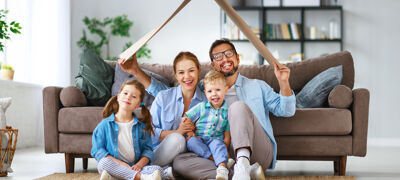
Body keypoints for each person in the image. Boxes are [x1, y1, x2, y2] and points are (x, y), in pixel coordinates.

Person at [118, 52, 207, 167]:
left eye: (191, 70)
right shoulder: (164, 97)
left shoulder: (206, 103)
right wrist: (178, 132)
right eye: (181, 72)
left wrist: (194, 134)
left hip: (188, 156)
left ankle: (160, 171)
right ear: (175, 75)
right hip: (160, 152)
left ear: (198, 70)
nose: (187, 76)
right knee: (177, 139)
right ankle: (144, 168)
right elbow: (150, 133)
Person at [91, 80, 174, 180]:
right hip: (114, 165)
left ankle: (118, 177)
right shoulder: (104, 125)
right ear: (118, 96)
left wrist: (139, 165)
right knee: (103, 163)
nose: (128, 97)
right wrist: (121, 164)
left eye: (134, 96)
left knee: (157, 169)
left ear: (138, 104)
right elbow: (98, 151)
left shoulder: (141, 127)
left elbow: (148, 151)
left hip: (134, 166)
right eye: (125, 93)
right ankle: (142, 178)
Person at [185, 70, 231, 180]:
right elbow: (187, 119)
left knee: (218, 144)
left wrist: (226, 149)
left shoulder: (227, 112)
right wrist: (190, 132)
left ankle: (222, 169)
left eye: (218, 90)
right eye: (210, 91)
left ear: (226, 90)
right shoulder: (201, 107)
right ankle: (217, 160)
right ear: (205, 93)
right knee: (191, 142)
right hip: (199, 138)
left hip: (215, 139)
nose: (214, 94)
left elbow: (227, 134)